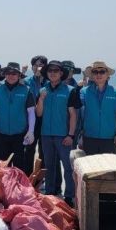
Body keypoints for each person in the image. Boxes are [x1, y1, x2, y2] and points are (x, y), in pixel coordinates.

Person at [36, 60, 80, 205]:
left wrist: (71, 135)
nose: (53, 73)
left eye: (56, 71)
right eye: (50, 71)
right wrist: (41, 99)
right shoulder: (43, 90)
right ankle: (50, 192)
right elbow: (39, 113)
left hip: (63, 135)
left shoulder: (70, 90)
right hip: (46, 134)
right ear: (47, 74)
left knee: (68, 167)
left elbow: (73, 115)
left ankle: (69, 196)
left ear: (61, 73)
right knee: (49, 166)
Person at [0, 65, 36, 174]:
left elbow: (31, 112)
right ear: (4, 75)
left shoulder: (26, 90)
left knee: (19, 167)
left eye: (14, 74)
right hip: (1, 134)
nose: (11, 76)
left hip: (20, 135)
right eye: (8, 73)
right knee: (3, 166)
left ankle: (17, 189)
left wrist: (31, 131)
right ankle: (5, 190)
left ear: (19, 75)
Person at [79, 61, 116, 155]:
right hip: (89, 137)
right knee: (90, 168)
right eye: (95, 72)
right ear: (92, 75)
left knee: (108, 168)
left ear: (107, 75)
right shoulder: (83, 92)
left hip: (109, 138)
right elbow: (80, 115)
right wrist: (80, 136)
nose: (98, 74)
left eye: (102, 71)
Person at [24, 55, 48, 173]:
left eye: (41, 65)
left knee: (44, 150)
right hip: (30, 120)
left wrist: (41, 80)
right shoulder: (27, 81)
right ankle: (28, 177)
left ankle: (40, 180)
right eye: (35, 65)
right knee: (29, 149)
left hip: (45, 119)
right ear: (32, 67)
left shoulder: (49, 82)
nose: (38, 68)